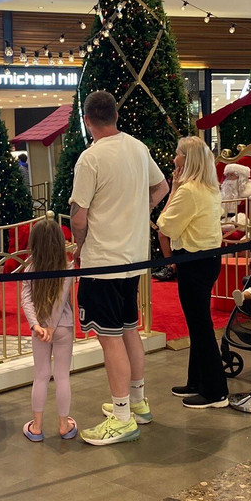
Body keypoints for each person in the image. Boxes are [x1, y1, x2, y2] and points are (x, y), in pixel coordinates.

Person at [70, 91, 169, 444]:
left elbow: (78, 216)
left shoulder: (90, 158)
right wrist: (139, 209)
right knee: (129, 331)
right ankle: (137, 403)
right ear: (115, 115)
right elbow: (162, 186)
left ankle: (123, 416)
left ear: (87, 120)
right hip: (134, 258)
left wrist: (79, 245)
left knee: (110, 339)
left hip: (103, 261)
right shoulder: (138, 148)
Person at [156, 137, 227, 409]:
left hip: (194, 262)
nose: (174, 158)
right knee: (198, 324)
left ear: (188, 159)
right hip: (207, 260)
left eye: (178, 154)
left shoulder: (189, 191)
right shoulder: (209, 188)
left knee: (200, 326)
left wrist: (174, 190)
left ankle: (215, 391)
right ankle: (197, 380)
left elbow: (165, 225)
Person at [19, 218, 76, 441]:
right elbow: (61, 300)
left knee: (41, 376)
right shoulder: (67, 266)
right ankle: (64, 425)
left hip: (40, 329)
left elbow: (26, 299)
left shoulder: (30, 268)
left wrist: (36, 325)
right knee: (62, 377)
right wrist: (51, 326)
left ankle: (36, 427)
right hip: (63, 327)